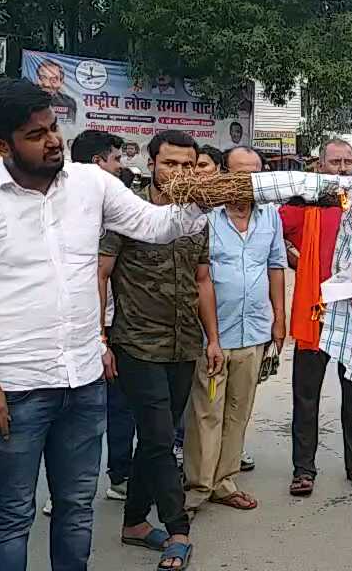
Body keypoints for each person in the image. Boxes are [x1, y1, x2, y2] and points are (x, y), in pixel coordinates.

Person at [0, 79, 207, 571]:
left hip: (82, 381)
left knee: (77, 510)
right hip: (12, 387)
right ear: (3, 144)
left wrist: (204, 199)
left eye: (54, 127)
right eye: (36, 134)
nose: (53, 140)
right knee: (12, 515)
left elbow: (156, 226)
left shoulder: (91, 183)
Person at [98, 129, 217, 570]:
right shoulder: (125, 211)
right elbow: (101, 274)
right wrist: (100, 339)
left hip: (184, 343)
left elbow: (202, 280)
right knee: (161, 438)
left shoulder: (197, 216)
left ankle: (133, 523)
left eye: (188, 165)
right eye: (170, 164)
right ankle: (177, 527)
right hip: (137, 343)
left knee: (155, 437)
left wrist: (213, 339)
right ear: (151, 164)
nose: (180, 173)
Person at [183, 146, 286, 514]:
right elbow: (199, 277)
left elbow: (276, 266)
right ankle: (197, 488)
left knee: (238, 411)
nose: (246, 181)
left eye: (254, 173)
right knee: (207, 411)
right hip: (214, 334)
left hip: (254, 331)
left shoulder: (270, 216)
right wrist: (210, 336)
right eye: (239, 172)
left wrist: (279, 317)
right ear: (225, 172)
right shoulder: (205, 217)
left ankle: (224, 482)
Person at [281, 139, 352, 496]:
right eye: (334, 161)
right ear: (320, 165)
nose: (341, 168)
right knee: (305, 397)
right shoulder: (305, 204)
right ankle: (303, 470)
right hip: (316, 312)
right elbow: (270, 235)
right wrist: (299, 262)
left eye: (346, 162)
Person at [69, 130, 136, 502]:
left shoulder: (117, 207)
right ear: (98, 164)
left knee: (119, 404)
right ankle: (66, 488)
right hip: (81, 324)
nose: (120, 167)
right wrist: (99, 339)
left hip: (112, 322)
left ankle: (120, 474)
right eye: (115, 160)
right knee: (77, 409)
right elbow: (97, 275)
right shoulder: (66, 207)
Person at [33, 59, 80, 123]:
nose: (47, 84)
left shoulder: (68, 102)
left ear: (61, 82)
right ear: (37, 79)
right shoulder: (26, 100)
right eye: (43, 78)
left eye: (54, 80)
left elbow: (70, 127)